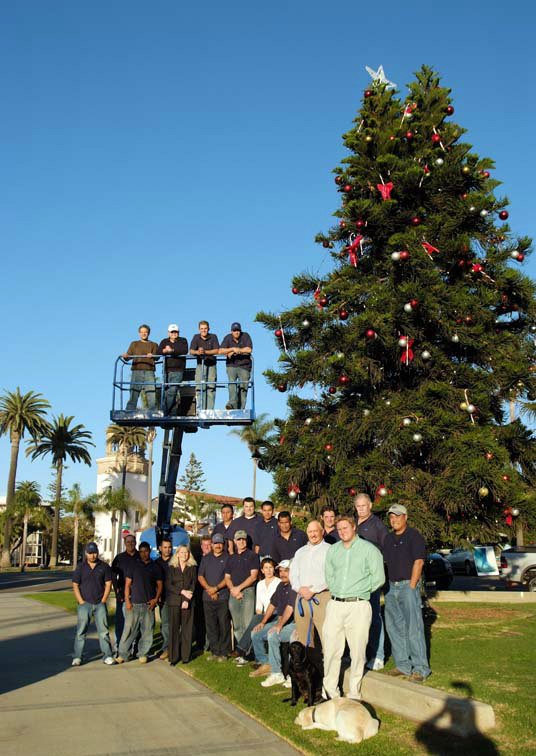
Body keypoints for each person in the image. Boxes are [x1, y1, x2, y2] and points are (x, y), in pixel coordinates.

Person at [322, 515, 385, 701]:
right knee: (332, 649)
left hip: (358, 605)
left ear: (354, 527)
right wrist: (336, 590)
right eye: (339, 529)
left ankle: (354, 692)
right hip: (335, 605)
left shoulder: (369, 550)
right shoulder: (333, 551)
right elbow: (329, 574)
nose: (342, 532)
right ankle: (330, 691)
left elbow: (379, 578)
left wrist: (362, 591)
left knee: (357, 651)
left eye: (345, 528)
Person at [383, 504, 431, 682]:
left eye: (397, 516)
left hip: (407, 587)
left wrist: (411, 586)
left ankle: (420, 668)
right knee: (395, 628)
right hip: (391, 588)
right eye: (391, 517)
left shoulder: (414, 536)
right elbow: (386, 563)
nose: (394, 519)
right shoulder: (388, 539)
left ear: (405, 517)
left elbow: (418, 562)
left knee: (413, 628)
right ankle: (403, 665)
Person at [354, 493, 389, 671]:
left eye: (364, 506)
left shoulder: (377, 526)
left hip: (370, 580)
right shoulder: (354, 524)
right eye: (358, 506)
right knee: (359, 619)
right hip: (355, 580)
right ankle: (363, 655)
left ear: (370, 506)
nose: (361, 509)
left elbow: (386, 551)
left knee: (374, 617)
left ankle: (378, 655)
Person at [250, 560, 297, 687]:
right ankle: (267, 664)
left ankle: (278, 674)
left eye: (286, 571)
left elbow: (290, 608)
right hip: (281, 620)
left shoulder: (295, 586)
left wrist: (279, 625)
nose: (282, 574)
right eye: (280, 571)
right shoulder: (281, 585)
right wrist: (263, 622)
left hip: (294, 622)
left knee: (273, 635)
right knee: (256, 633)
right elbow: (272, 604)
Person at [116, 541, 163, 664]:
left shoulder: (154, 566)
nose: (143, 554)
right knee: (129, 631)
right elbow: (127, 585)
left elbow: (160, 584)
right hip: (134, 604)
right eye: (141, 551)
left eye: (146, 551)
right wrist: (127, 601)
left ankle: (143, 654)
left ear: (149, 551)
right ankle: (123, 654)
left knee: (147, 631)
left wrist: (155, 599)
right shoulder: (133, 566)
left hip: (148, 605)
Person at [289, 520, 331, 650]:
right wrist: (299, 588)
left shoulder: (330, 549)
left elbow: (332, 576)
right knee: (303, 638)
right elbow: (293, 574)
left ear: (322, 532)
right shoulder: (300, 552)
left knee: (327, 635)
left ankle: (330, 668)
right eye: (310, 532)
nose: (313, 534)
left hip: (322, 597)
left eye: (315, 531)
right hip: (302, 598)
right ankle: (309, 667)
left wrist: (313, 590)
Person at [71, 542, 114, 666]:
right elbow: (75, 585)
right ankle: (77, 656)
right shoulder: (81, 567)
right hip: (85, 604)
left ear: (97, 552)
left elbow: (108, 584)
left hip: (100, 603)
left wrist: (104, 599)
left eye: (94, 553)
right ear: (86, 553)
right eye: (90, 553)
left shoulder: (104, 567)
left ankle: (107, 656)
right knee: (81, 631)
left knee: (103, 631)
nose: (92, 555)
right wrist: (81, 601)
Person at [235, 557, 281, 665]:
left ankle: (242, 650)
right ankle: (247, 654)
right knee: (255, 625)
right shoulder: (260, 584)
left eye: (271, 568)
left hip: (275, 614)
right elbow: (259, 606)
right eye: (266, 568)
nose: (268, 570)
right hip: (263, 615)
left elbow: (276, 604)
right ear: (262, 570)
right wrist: (260, 619)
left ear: (274, 569)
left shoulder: (278, 582)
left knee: (256, 620)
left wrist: (261, 618)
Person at [198, 533, 232, 661]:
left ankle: (224, 652)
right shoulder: (206, 558)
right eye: (215, 543)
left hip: (222, 596)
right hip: (207, 597)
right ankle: (214, 651)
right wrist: (209, 589)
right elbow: (200, 576)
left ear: (223, 545)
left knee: (223, 625)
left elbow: (228, 577)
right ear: (212, 545)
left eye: (220, 543)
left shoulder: (228, 558)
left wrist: (216, 589)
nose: (217, 546)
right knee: (211, 625)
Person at [224, 529, 260, 651]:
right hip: (233, 593)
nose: (241, 541)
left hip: (247, 592)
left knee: (247, 623)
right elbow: (227, 578)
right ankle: (241, 650)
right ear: (234, 541)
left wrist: (238, 589)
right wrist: (233, 590)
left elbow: (253, 576)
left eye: (243, 539)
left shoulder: (253, 556)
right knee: (237, 625)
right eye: (238, 539)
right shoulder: (231, 558)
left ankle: (249, 652)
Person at [166, 545, 197, 665]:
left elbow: (193, 584)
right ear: (177, 554)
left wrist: (186, 600)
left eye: (187, 552)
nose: (185, 554)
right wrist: (182, 592)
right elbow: (169, 584)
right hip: (174, 601)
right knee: (173, 629)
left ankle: (185, 656)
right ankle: (173, 657)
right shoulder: (171, 568)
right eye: (182, 552)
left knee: (187, 630)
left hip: (188, 601)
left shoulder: (192, 567)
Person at [111, 533, 139, 651]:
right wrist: (117, 591)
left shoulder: (140, 556)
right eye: (128, 542)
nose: (130, 544)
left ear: (135, 542)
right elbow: (113, 575)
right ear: (124, 543)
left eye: (132, 541)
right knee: (121, 622)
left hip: (138, 595)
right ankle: (119, 646)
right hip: (122, 595)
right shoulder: (119, 558)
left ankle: (134, 646)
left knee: (135, 623)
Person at [122, 324, 159, 411]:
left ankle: (153, 411)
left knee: (151, 391)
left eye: (145, 332)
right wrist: (125, 356)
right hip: (136, 370)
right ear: (139, 333)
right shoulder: (134, 344)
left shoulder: (154, 344)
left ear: (148, 333)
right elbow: (128, 357)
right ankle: (130, 410)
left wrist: (153, 355)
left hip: (149, 371)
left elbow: (157, 357)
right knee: (134, 391)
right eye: (142, 332)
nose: (143, 334)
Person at [219, 322, 253, 410]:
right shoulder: (227, 338)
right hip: (232, 365)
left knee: (244, 387)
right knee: (232, 384)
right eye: (234, 331)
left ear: (240, 331)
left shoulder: (246, 336)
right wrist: (232, 349)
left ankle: (241, 408)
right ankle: (232, 404)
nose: (236, 332)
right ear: (231, 332)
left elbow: (249, 349)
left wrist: (238, 351)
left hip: (244, 366)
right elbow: (220, 351)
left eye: (238, 330)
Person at [157, 324, 189, 415]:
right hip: (166, 370)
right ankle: (172, 412)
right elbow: (158, 351)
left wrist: (172, 351)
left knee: (173, 390)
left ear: (178, 332)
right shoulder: (164, 341)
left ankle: (164, 411)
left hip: (178, 370)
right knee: (167, 391)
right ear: (168, 333)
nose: (174, 334)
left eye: (175, 332)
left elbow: (184, 350)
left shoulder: (183, 340)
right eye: (172, 332)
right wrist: (164, 351)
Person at [189, 320, 220, 410]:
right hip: (200, 365)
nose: (203, 330)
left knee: (211, 387)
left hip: (211, 365)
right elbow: (191, 351)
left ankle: (209, 410)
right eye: (202, 329)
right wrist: (198, 352)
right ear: (199, 329)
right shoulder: (196, 337)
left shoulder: (213, 337)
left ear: (208, 329)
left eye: (205, 328)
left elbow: (217, 350)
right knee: (199, 387)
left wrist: (205, 352)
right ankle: (200, 409)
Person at [156, 537, 173, 660]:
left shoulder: (175, 562)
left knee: (176, 625)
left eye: (169, 547)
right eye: (165, 547)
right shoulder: (156, 563)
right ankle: (166, 648)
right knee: (165, 624)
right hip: (163, 598)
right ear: (160, 549)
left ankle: (174, 647)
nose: (167, 550)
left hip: (176, 598)